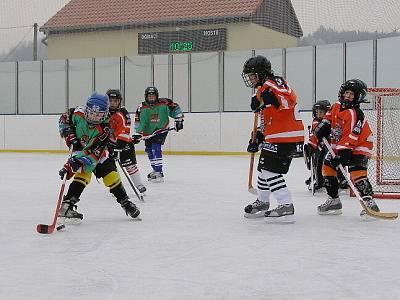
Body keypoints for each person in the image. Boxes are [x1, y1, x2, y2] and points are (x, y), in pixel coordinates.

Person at [58, 92, 140, 221]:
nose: (95, 117)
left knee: (111, 176)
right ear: (87, 109)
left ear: (105, 113)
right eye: (92, 113)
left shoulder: (105, 129)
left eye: (99, 114)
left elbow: (93, 152)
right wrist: (68, 132)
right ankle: (67, 205)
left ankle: (125, 202)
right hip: (79, 148)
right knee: (83, 174)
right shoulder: (77, 113)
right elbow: (63, 119)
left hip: (98, 153)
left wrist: (73, 164)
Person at [242, 55, 304, 222]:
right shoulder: (262, 88)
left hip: (286, 136)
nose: (250, 79)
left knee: (270, 170)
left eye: (252, 75)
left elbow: (288, 99)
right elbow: (266, 117)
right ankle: (263, 201)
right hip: (276, 135)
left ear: (261, 73)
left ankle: (286, 205)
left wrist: (269, 98)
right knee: (263, 169)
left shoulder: (274, 82)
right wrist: (258, 137)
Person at [314, 79, 379, 216]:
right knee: (327, 167)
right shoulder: (336, 106)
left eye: (352, 94)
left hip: (360, 145)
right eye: (347, 93)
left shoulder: (354, 113)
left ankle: (369, 203)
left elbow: (352, 136)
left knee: (357, 173)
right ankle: (334, 200)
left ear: (358, 97)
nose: (348, 96)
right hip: (342, 145)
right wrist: (322, 127)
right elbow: (328, 119)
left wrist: (343, 155)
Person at [133, 86, 184, 183]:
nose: (151, 98)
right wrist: (137, 133)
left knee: (156, 147)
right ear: (146, 97)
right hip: (148, 132)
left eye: (153, 96)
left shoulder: (164, 103)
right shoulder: (141, 107)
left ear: (157, 96)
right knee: (149, 150)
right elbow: (138, 122)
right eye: (149, 96)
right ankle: (155, 170)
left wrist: (179, 120)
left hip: (161, 129)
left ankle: (159, 172)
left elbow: (175, 108)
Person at [106, 89, 146, 194]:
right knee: (111, 167)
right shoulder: (103, 113)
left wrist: (120, 144)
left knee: (130, 165)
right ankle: (116, 187)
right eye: (111, 101)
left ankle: (138, 184)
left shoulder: (123, 112)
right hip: (109, 144)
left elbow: (125, 129)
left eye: (115, 101)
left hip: (124, 143)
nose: (113, 103)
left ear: (119, 101)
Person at [305, 100, 349, 192]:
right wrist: (311, 146)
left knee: (337, 161)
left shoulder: (333, 121)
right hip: (321, 148)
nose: (318, 114)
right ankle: (318, 180)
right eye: (317, 112)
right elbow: (314, 136)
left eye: (321, 112)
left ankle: (342, 179)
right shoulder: (316, 123)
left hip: (333, 146)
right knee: (319, 162)